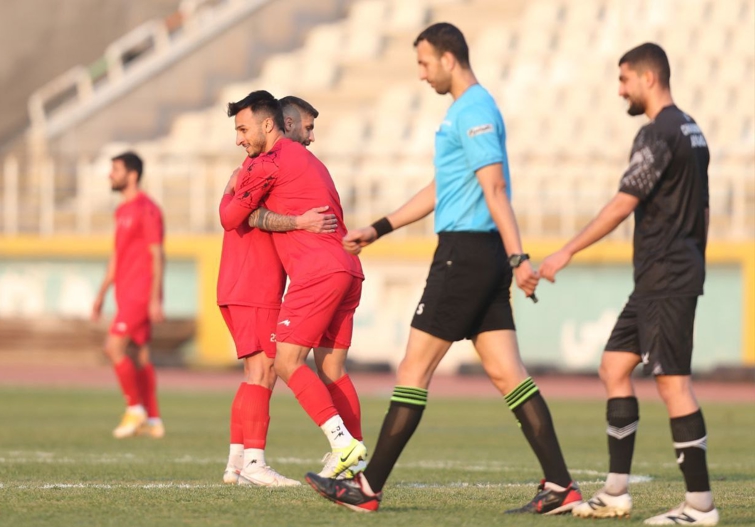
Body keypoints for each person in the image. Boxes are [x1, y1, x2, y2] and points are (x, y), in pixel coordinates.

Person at [304, 22, 582, 515]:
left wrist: (520, 257)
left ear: (449, 59)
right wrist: (380, 226)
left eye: (424, 62)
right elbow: (443, 188)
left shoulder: (473, 109)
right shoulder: (463, 111)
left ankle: (366, 490)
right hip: (481, 255)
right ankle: (561, 486)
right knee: (506, 373)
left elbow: (494, 188)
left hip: (467, 256)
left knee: (413, 369)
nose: (420, 74)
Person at [540, 43, 718, 526]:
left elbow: (623, 202)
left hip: (666, 275)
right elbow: (702, 208)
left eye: (624, 80)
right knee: (614, 367)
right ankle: (616, 493)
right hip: (664, 274)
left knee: (673, 382)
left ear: (647, 77)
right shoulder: (693, 130)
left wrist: (565, 251)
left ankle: (700, 505)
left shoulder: (656, 132)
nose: (621, 90)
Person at [221, 91, 367, 481]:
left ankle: (342, 443)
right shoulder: (312, 163)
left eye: (243, 129)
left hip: (316, 272)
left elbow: (232, 216)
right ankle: (357, 461)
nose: (240, 139)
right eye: (309, 127)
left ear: (271, 125)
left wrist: (232, 186)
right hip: (349, 268)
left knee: (284, 363)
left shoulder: (270, 162)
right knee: (333, 369)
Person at [92, 152, 165, 439]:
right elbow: (116, 256)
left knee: (113, 348)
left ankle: (135, 410)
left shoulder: (147, 209)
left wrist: (155, 297)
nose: (110, 174)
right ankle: (154, 420)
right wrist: (101, 293)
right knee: (139, 356)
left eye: (116, 169)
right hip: (124, 293)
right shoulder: (121, 210)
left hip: (140, 292)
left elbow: (157, 255)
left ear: (132, 175)